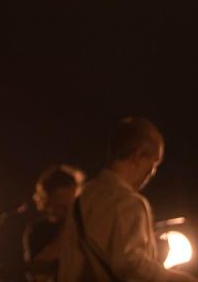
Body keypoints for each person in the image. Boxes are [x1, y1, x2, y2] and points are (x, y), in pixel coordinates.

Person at [57, 117, 198, 282]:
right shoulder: (128, 202)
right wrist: (180, 280)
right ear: (137, 156)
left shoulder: (82, 199)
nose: (152, 173)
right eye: (154, 164)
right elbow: (131, 265)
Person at [23, 164, 86, 281]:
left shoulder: (87, 226)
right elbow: (37, 276)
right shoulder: (37, 232)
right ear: (47, 203)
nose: (68, 212)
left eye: (72, 205)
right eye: (62, 207)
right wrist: (67, 231)